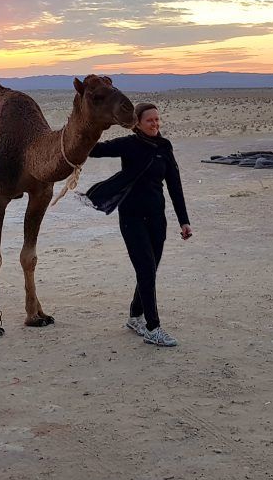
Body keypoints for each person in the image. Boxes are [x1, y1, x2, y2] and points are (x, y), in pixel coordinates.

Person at [82, 102, 192, 347]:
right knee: (145, 270)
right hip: (132, 219)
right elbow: (94, 150)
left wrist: (184, 221)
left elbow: (175, 185)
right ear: (137, 124)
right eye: (149, 120)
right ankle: (153, 328)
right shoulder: (128, 145)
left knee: (150, 270)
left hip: (156, 219)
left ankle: (135, 316)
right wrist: (86, 127)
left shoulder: (164, 147)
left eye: (157, 120)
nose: (155, 124)